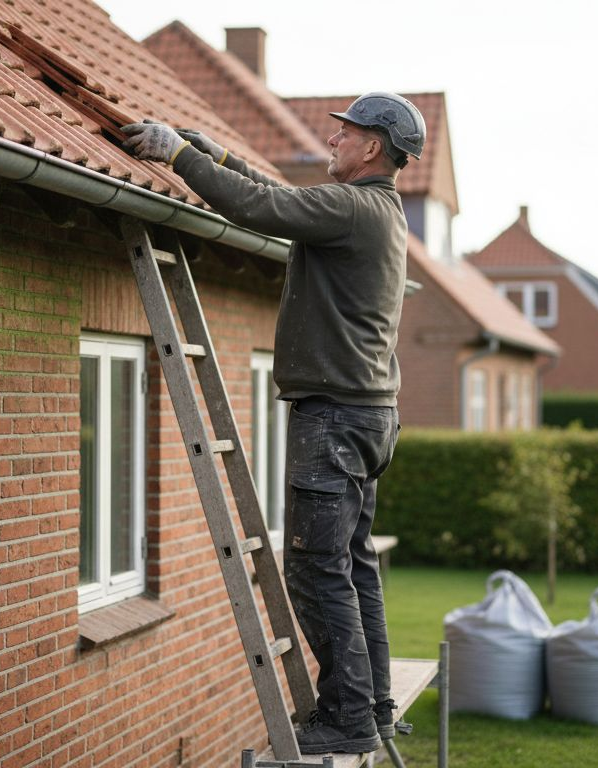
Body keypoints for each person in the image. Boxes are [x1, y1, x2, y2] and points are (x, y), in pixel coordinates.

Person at [121, 92, 425, 755]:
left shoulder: (351, 209)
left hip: (336, 419)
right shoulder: (373, 211)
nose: (334, 141)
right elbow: (279, 195)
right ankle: (369, 706)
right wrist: (212, 155)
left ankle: (346, 717)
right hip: (367, 417)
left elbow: (266, 208)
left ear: (373, 147)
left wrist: (173, 153)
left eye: (345, 134)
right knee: (353, 568)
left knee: (316, 572)